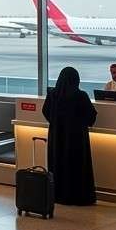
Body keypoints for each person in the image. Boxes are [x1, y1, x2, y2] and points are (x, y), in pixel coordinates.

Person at [44, 66, 98, 206]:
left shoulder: (52, 94)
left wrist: (56, 123)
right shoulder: (80, 96)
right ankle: (77, 197)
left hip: (56, 137)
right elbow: (91, 116)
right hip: (76, 138)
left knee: (57, 164)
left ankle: (58, 195)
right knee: (77, 167)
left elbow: (45, 111)